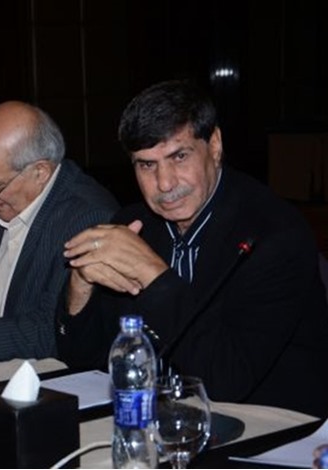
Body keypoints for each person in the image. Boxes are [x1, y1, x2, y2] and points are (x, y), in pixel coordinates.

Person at [57, 80, 328, 418]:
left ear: (214, 145)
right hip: (153, 418)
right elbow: (80, 362)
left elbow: (225, 382)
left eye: (179, 156)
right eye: (147, 165)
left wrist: (153, 274)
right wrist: (80, 286)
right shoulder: (134, 224)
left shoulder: (273, 233)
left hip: (270, 429)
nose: (165, 183)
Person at [0, 101, 119, 362]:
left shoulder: (87, 217)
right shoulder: (1, 201)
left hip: (44, 371)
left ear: (40, 172)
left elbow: (51, 329)